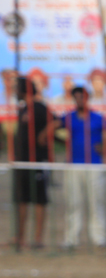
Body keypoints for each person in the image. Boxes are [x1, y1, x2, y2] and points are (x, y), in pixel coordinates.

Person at [60, 86, 106, 249]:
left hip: (94, 165)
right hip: (74, 164)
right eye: (77, 97)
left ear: (87, 98)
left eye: (82, 97)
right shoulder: (69, 117)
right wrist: (62, 143)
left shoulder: (97, 117)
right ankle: (71, 239)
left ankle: (99, 239)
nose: (79, 100)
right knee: (73, 203)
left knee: (96, 202)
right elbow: (51, 128)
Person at [12, 76, 51, 250]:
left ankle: (38, 239)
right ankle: (19, 237)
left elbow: (55, 121)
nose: (15, 91)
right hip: (22, 161)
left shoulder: (39, 107)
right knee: (21, 199)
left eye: (17, 88)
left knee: (39, 199)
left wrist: (44, 134)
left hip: (37, 161)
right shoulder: (23, 109)